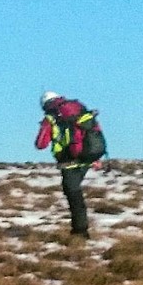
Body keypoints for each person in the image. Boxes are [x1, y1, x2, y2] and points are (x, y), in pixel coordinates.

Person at [35, 91, 102, 238]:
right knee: (75, 193)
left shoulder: (51, 118)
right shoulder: (78, 109)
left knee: (73, 194)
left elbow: (41, 144)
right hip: (87, 158)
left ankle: (80, 231)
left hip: (68, 161)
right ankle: (80, 229)